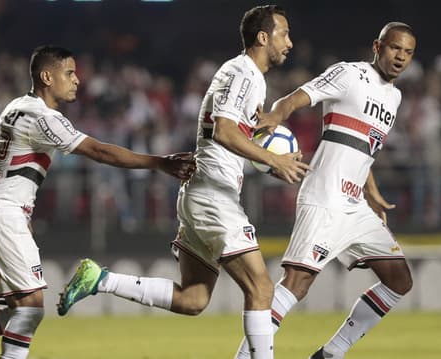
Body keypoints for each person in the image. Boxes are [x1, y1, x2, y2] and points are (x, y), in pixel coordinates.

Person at [0, 45, 195, 359]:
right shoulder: (43, 116)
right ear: (47, 76)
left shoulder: (15, 107)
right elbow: (99, 152)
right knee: (30, 309)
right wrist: (159, 162)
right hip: (3, 214)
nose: (77, 80)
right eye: (69, 73)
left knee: (21, 310)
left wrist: (2, 193)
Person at [56, 5, 309, 359]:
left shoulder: (246, 77)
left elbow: (228, 129)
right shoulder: (243, 73)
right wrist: (271, 158)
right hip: (212, 197)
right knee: (262, 287)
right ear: (263, 37)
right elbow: (223, 129)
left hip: (202, 193)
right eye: (284, 33)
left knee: (194, 298)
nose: (291, 42)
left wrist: (263, 145)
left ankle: (101, 279)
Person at [234, 22, 417, 359]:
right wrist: (275, 115)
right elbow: (294, 99)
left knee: (399, 280)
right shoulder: (349, 74)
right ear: (377, 46)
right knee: (297, 284)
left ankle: (331, 353)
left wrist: (371, 192)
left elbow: (363, 149)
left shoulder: (394, 96)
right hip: (325, 197)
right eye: (395, 49)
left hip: (356, 203)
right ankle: (246, 357)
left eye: (407, 53)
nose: (400, 58)